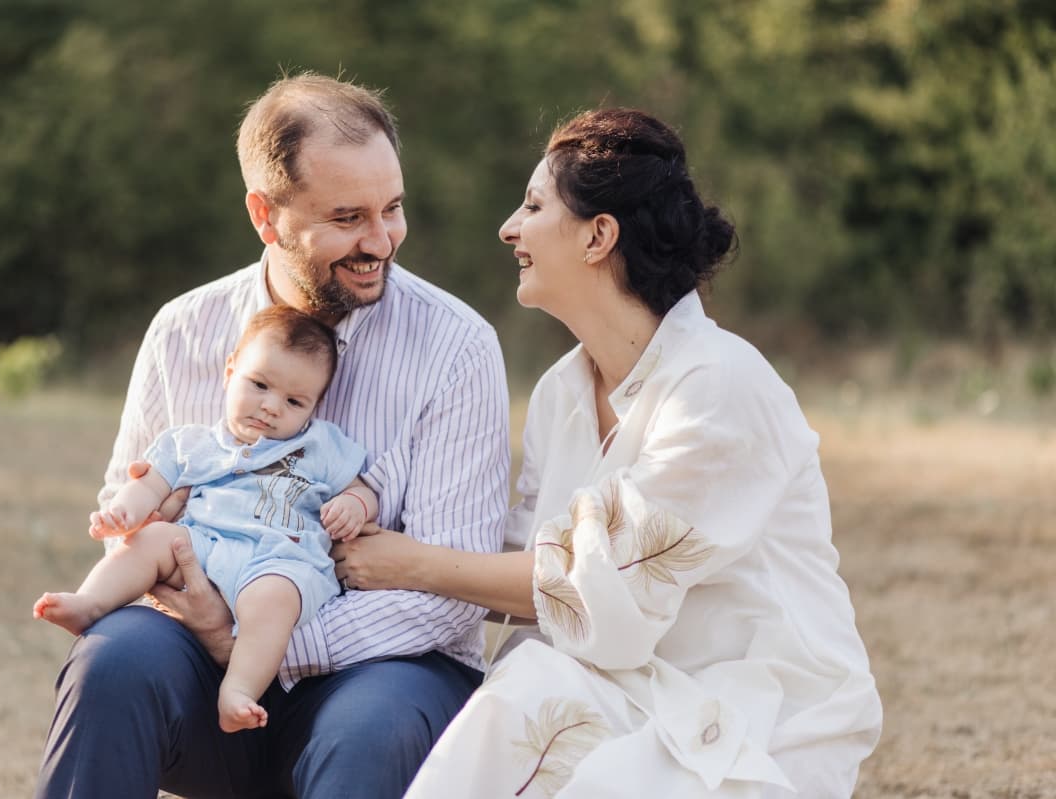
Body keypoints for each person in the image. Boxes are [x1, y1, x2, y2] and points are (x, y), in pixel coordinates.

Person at [332, 108, 883, 797]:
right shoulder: (561, 391)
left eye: (534, 206)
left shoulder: (718, 385)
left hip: (755, 711)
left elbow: (597, 590)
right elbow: (521, 557)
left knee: (537, 697)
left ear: (598, 236)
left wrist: (409, 563)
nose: (509, 228)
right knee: (522, 691)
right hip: (624, 690)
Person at [33, 73, 511, 799]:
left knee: (370, 730)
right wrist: (198, 611)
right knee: (113, 662)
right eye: (347, 217)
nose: (380, 241)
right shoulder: (184, 330)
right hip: (199, 644)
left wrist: (260, 644)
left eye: (392, 208)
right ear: (265, 214)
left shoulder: (458, 348)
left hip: (387, 667)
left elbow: (452, 593)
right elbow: (131, 511)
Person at [33, 306, 379, 733]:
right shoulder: (191, 443)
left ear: (314, 407)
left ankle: (239, 690)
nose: (271, 407)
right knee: (152, 538)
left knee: (273, 603)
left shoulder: (320, 446)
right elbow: (148, 485)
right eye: (259, 385)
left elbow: (362, 489)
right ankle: (91, 603)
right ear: (230, 371)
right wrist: (124, 512)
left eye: (294, 401)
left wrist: (355, 505)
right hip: (202, 546)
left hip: (278, 559)